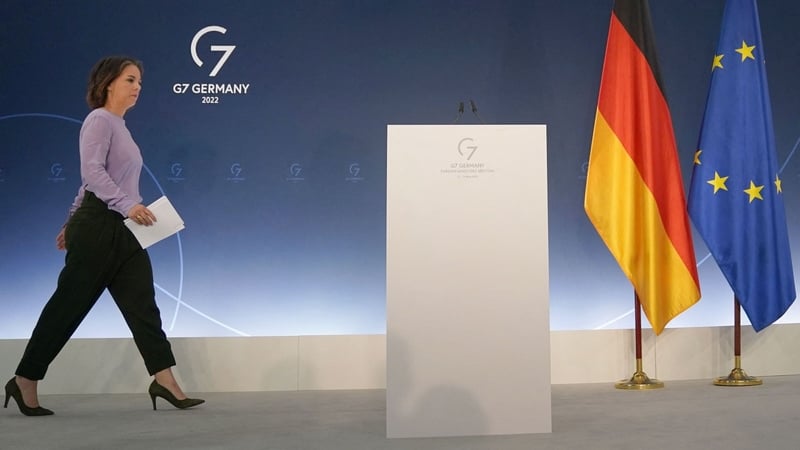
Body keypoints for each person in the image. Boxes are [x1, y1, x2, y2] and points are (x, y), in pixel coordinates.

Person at [3, 56, 204, 416]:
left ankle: (165, 380)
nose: (137, 86)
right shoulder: (98, 120)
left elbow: (91, 182)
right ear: (109, 82)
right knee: (68, 307)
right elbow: (92, 172)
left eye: (140, 81)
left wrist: (70, 219)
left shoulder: (120, 127)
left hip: (122, 229)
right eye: (130, 79)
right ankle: (25, 380)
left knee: (144, 306)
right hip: (101, 226)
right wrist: (124, 206)